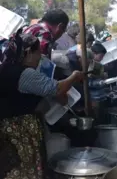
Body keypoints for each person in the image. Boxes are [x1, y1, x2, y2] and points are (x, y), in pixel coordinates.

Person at [0, 32, 83, 179]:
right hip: (19, 132)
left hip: (10, 129)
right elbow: (57, 88)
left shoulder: (6, 69)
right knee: (26, 169)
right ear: (28, 53)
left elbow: (22, 99)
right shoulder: (24, 73)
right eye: (38, 53)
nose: (40, 58)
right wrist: (74, 76)